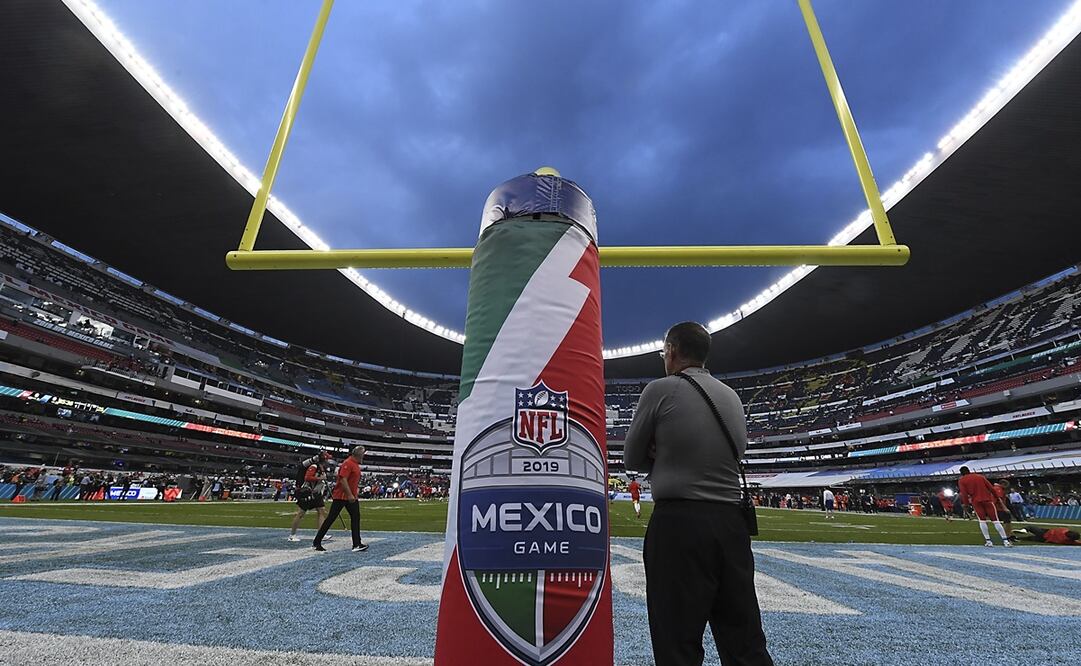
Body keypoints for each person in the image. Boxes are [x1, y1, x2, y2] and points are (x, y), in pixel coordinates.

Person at [623, 321, 773, 666]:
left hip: (679, 524)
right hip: (731, 524)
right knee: (744, 639)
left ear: (671, 351)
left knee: (677, 640)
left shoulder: (660, 390)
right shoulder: (731, 396)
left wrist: (661, 452)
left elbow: (632, 457)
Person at [313, 446, 368, 553]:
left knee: (355, 517)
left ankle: (357, 543)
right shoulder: (348, 463)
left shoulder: (355, 464)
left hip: (349, 496)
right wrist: (349, 494)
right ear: (358, 454)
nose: (364, 456)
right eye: (363, 454)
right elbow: (343, 479)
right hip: (342, 496)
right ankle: (317, 542)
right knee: (332, 518)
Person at [957, 467, 1011, 547]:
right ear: (969, 470)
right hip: (987, 500)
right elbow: (991, 488)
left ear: (961, 473)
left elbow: (964, 494)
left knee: (982, 521)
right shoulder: (980, 477)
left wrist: (966, 504)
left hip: (976, 501)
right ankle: (1005, 541)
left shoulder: (962, 480)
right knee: (996, 521)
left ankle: (988, 541)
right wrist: (997, 498)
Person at [288, 456, 330, 542]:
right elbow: (307, 477)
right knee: (301, 513)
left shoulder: (321, 468)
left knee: (321, 511)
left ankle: (321, 534)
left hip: (316, 493)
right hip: (308, 492)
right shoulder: (314, 466)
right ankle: (292, 535)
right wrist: (320, 478)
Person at [1013, 526, 1081, 545]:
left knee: (1031, 527)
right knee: (1030, 538)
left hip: (1044, 533)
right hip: (1044, 540)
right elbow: (1076, 542)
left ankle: (1024, 530)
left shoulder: (1064, 530)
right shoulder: (1065, 541)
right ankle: (1018, 538)